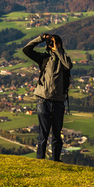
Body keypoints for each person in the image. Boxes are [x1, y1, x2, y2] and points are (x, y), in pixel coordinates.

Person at [23, 33, 73, 161]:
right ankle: (40, 160)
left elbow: (68, 65)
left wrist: (58, 50)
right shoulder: (44, 58)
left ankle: (56, 161)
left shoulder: (64, 60)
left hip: (58, 102)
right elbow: (26, 50)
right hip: (43, 100)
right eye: (51, 43)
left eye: (55, 43)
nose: (52, 45)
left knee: (57, 134)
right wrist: (40, 38)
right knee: (43, 134)